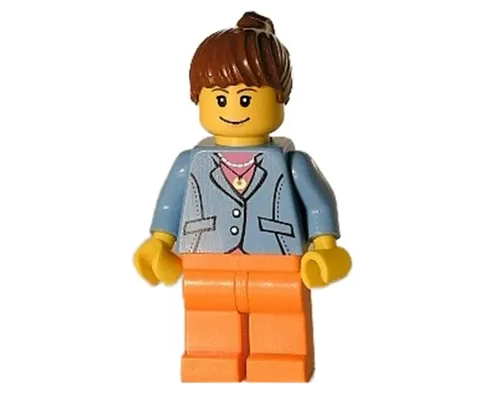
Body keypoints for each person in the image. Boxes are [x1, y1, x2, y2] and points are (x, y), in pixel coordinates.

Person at [134, 11, 351, 382]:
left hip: (277, 258)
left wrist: (325, 246)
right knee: (208, 309)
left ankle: (280, 357)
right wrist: (159, 242)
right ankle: (212, 357)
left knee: (278, 308)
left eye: (247, 98)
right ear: (199, 100)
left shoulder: (292, 163)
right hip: (206, 258)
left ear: (280, 98)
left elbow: (318, 203)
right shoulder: (190, 162)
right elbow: (170, 204)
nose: (233, 109)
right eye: (220, 99)